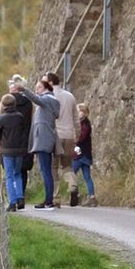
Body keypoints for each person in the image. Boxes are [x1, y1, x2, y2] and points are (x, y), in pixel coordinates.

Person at [44, 72, 80, 205]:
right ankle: (72, 185)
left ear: (51, 82)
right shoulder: (70, 96)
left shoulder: (48, 97)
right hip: (69, 135)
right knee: (67, 164)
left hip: (55, 135)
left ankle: (56, 196)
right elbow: (76, 118)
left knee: (53, 167)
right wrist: (78, 133)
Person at [27, 79, 61, 210]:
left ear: (47, 88)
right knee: (46, 170)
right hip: (46, 138)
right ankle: (48, 199)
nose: (37, 90)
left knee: (46, 171)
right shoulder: (50, 101)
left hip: (43, 139)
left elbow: (36, 99)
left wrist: (23, 89)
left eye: (39, 87)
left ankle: (49, 200)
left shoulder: (46, 100)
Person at [0, 93, 28, 211]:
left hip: (7, 150)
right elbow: (24, 133)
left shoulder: (2, 118)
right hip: (19, 149)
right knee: (17, 173)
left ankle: (12, 202)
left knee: (8, 175)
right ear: (14, 104)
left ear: (3, 105)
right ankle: (20, 197)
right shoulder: (20, 116)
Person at [71, 102, 97, 207]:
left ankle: (75, 195)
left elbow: (81, 138)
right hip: (84, 154)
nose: (77, 113)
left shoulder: (85, 124)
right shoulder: (82, 123)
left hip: (81, 154)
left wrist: (74, 141)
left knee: (71, 173)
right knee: (87, 176)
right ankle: (92, 197)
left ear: (84, 112)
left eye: (79, 111)